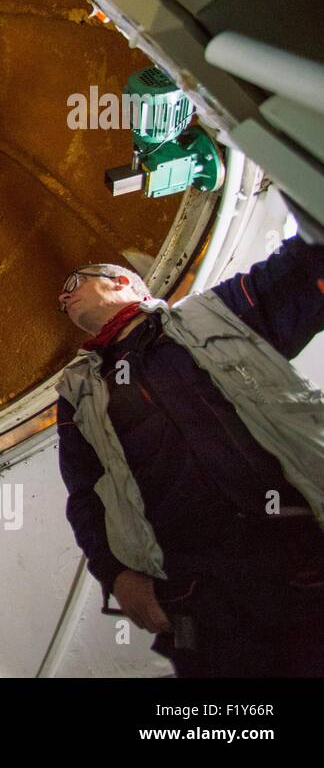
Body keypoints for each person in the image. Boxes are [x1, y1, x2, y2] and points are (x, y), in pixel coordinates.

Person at [54, 235, 324, 676]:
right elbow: (85, 496)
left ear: (126, 281)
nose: (64, 297)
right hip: (196, 596)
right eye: (61, 300)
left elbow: (303, 266)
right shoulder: (77, 394)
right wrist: (116, 576)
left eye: (74, 282)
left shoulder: (216, 314)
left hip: (303, 554)